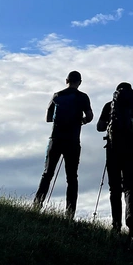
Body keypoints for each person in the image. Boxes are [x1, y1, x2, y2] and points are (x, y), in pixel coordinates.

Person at [32, 71, 94, 218]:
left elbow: (48, 118)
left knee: (47, 174)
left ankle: (36, 206)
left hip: (56, 139)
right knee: (72, 177)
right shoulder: (83, 97)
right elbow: (90, 116)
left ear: (66, 80)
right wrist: (81, 121)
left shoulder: (57, 95)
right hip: (73, 141)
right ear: (80, 82)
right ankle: (69, 213)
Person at [96, 82, 133, 240]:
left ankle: (116, 225)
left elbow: (99, 127)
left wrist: (109, 125)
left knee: (114, 189)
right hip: (132, 151)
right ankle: (131, 219)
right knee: (131, 188)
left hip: (113, 150)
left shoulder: (109, 105)